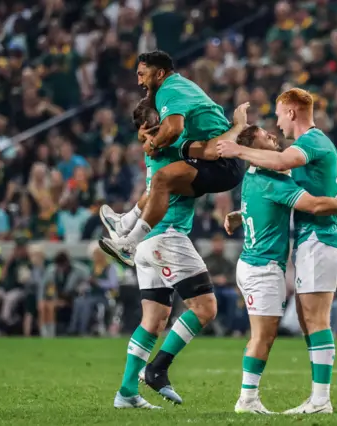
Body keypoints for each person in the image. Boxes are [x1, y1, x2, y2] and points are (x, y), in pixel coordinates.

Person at [222, 125, 337, 414]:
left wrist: (241, 216)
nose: (273, 136)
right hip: (262, 268)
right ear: (255, 150)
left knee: (274, 331)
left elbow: (265, 207)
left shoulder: (256, 178)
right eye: (266, 136)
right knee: (264, 336)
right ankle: (247, 400)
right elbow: (313, 205)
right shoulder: (274, 181)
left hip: (256, 264)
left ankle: (253, 398)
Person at [104, 100, 231, 410]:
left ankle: (126, 392)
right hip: (167, 235)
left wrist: (129, 218)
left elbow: (150, 191)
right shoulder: (175, 148)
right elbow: (216, 150)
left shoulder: (156, 152)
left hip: (149, 242)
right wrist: (237, 123)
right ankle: (157, 369)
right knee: (205, 308)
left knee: (153, 320)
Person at [99, 50, 247, 259]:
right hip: (214, 160)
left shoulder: (169, 90)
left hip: (223, 161)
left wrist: (152, 144)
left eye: (142, 74)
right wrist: (151, 141)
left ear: (159, 74)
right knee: (159, 184)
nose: (139, 81)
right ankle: (124, 225)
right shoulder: (176, 94)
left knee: (161, 180)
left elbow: (175, 129)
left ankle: (128, 243)